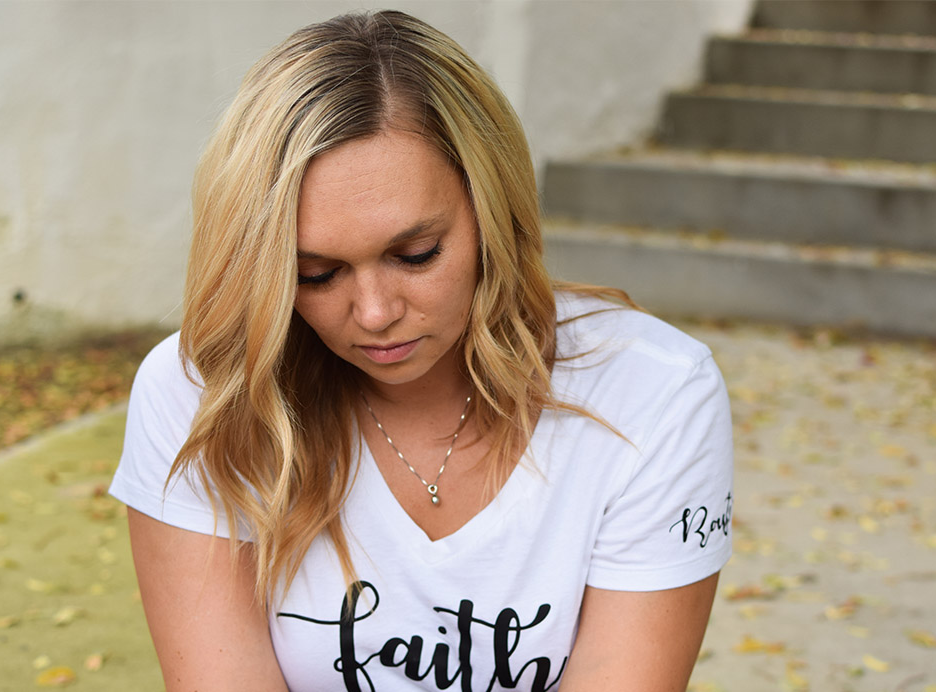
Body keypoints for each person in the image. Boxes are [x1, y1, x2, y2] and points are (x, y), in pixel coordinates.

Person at [109, 10, 733, 692]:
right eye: (316, 273)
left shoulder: (653, 392)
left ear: (495, 210)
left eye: (416, 254)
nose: (375, 313)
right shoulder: (202, 395)